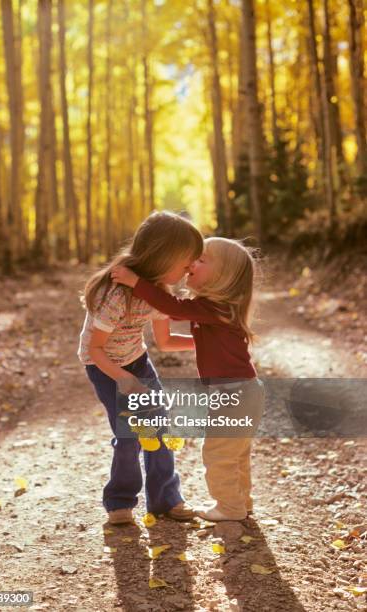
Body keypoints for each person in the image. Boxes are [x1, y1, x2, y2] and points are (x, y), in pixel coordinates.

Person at [111, 237, 265, 522]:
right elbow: (189, 338)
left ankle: (230, 507)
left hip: (235, 394)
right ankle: (241, 501)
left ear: (223, 278)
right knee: (237, 453)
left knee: (219, 453)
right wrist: (198, 343)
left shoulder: (215, 307)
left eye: (201, 260)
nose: (192, 264)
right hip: (243, 392)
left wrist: (137, 283)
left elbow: (174, 308)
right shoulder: (214, 309)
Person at [78, 211, 204, 525]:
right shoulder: (117, 294)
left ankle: (165, 499)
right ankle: (119, 502)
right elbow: (95, 348)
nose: (189, 271)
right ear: (164, 256)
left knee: (159, 426)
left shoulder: (159, 290)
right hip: (104, 366)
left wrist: (204, 342)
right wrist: (123, 379)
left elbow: (165, 341)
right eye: (186, 263)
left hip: (136, 359)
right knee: (131, 433)